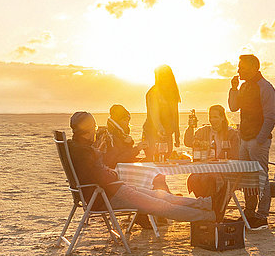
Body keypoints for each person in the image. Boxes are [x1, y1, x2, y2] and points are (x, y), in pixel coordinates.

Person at [67, 112, 216, 223]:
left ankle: (204, 204)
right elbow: (103, 177)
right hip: (107, 195)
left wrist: (104, 163)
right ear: (89, 129)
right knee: (159, 204)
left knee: (159, 195)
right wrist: (114, 174)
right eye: (94, 126)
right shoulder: (85, 152)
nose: (96, 129)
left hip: (109, 191)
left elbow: (95, 172)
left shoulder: (75, 147)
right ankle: (207, 216)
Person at [228, 54, 275, 230]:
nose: (238, 70)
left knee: (261, 177)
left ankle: (262, 216)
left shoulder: (265, 87)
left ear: (253, 68)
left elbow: (270, 118)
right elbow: (233, 107)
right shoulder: (244, 86)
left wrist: (260, 139)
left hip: (258, 141)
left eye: (241, 67)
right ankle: (249, 212)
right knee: (247, 177)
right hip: (244, 139)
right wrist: (233, 88)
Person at [183, 105, 242, 216]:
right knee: (194, 179)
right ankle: (206, 206)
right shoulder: (204, 131)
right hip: (205, 169)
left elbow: (235, 156)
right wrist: (190, 127)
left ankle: (212, 208)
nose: (212, 120)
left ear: (222, 118)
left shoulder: (231, 133)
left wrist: (219, 159)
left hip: (224, 170)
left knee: (209, 179)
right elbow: (188, 142)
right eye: (210, 117)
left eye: (215, 117)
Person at [143, 65, 181, 160]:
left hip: (166, 133)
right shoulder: (153, 93)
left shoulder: (172, 92)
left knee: (165, 161)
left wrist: (177, 134)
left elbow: (175, 114)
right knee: (155, 161)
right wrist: (161, 130)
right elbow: (154, 115)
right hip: (152, 133)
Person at [96, 104, 142, 169]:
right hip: (114, 172)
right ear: (116, 121)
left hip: (121, 169)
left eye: (128, 120)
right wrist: (137, 149)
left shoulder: (121, 135)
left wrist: (128, 144)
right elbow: (116, 161)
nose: (127, 123)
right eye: (124, 120)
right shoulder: (110, 137)